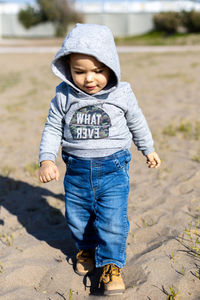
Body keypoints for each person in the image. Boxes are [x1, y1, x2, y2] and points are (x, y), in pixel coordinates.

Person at [39, 23, 161, 296]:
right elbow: (52, 127)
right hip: (77, 170)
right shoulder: (63, 94)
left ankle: (111, 266)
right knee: (78, 216)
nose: (89, 79)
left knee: (113, 220)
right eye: (79, 71)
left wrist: (147, 148)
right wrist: (47, 159)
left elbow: (136, 121)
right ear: (67, 67)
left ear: (112, 67)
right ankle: (86, 249)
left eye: (98, 70)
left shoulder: (122, 92)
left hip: (114, 168)